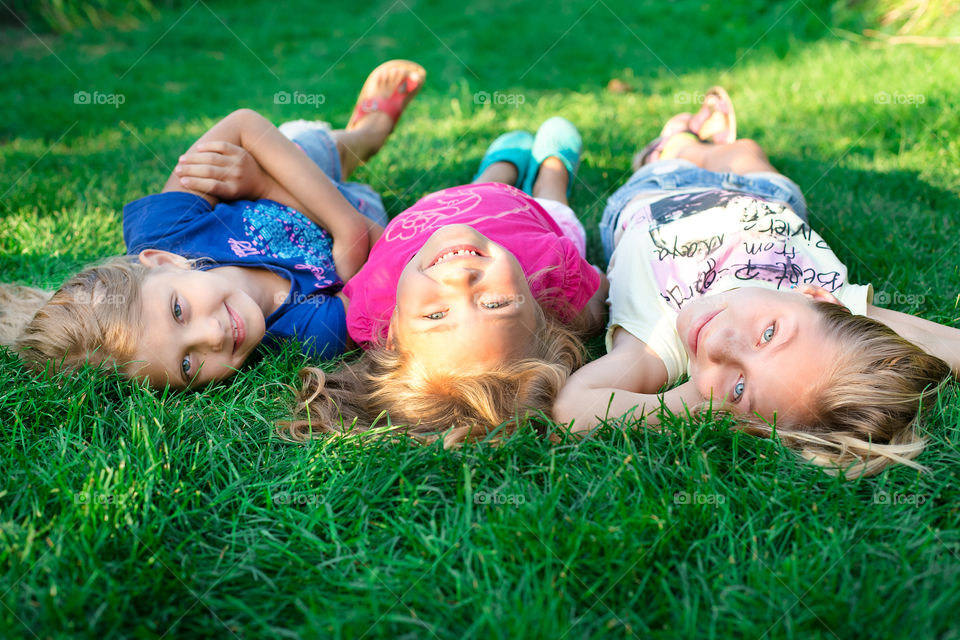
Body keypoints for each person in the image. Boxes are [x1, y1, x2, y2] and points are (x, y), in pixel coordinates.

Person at [553, 87, 957, 477]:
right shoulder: (832, 303)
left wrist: (703, 397)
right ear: (820, 300)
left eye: (740, 387)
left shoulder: (657, 346)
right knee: (745, 151)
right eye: (769, 333)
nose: (717, 344)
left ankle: (675, 141)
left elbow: (575, 407)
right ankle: (706, 145)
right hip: (767, 193)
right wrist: (730, 392)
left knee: (672, 156)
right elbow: (948, 345)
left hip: (657, 191)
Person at [2, 60, 426, 388]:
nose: (213, 335)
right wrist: (265, 187)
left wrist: (275, 187)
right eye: (188, 364)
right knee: (385, 209)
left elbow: (243, 126)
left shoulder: (169, 231)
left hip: (297, 168)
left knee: (317, 146)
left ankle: (367, 131)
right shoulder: (310, 335)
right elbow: (385, 250)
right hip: (365, 211)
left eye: (179, 311)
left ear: (163, 261)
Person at [285, 117, 609, 446]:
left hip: (442, 203)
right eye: (495, 304)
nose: (459, 277)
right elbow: (599, 292)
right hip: (531, 210)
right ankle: (553, 168)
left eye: (436, 315)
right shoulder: (553, 266)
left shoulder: (368, 308)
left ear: (394, 333)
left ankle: (502, 164)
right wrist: (589, 306)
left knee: (481, 182)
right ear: (539, 314)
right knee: (553, 197)